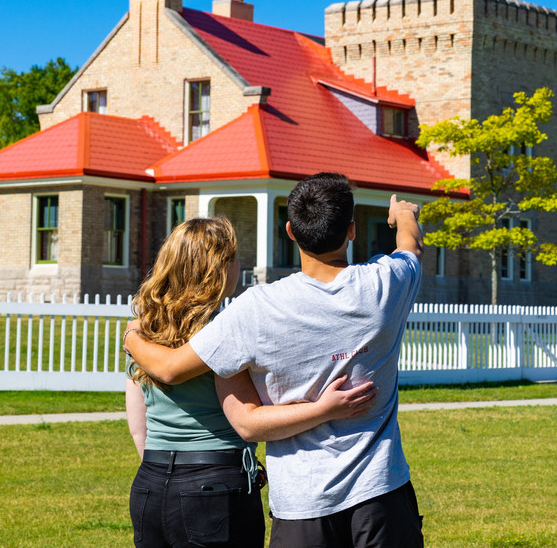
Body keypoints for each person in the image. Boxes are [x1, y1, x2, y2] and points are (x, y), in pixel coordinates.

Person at [126, 173, 425, 548]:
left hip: (301, 505)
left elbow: (172, 369)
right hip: (382, 492)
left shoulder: (255, 309)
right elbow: (410, 248)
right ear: (351, 230)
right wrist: (404, 214)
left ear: (290, 231)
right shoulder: (387, 284)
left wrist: (131, 335)